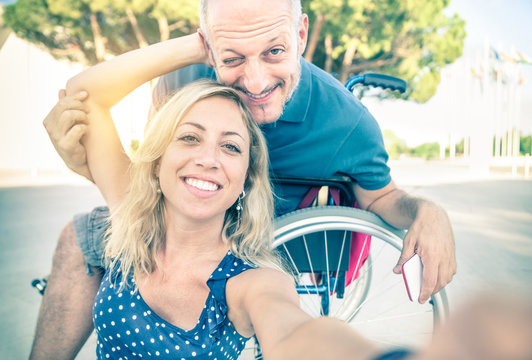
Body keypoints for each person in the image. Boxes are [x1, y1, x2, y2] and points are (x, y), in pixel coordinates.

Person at [34, 0, 456, 358]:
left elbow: (294, 329)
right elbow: (139, 149)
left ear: (301, 33)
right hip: (170, 222)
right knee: (81, 235)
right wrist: (201, 46)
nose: (254, 82)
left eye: (274, 51)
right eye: (233, 58)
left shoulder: (348, 121)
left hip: (260, 239)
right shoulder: (181, 79)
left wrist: (425, 210)